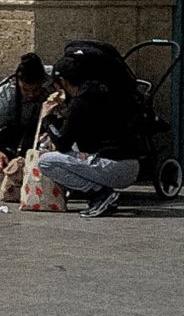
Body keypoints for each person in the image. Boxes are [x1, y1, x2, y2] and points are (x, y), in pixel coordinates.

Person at [36, 46, 143, 217]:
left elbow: (63, 143)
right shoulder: (101, 92)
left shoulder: (80, 102)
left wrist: (46, 118)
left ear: (63, 81)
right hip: (129, 164)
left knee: (46, 161)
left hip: (114, 167)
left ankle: (100, 194)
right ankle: (103, 194)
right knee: (74, 152)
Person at [0, 51, 50, 204]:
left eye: (36, 90)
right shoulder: (4, 96)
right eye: (26, 90)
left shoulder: (52, 85)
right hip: (11, 130)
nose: (31, 95)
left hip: (40, 130)